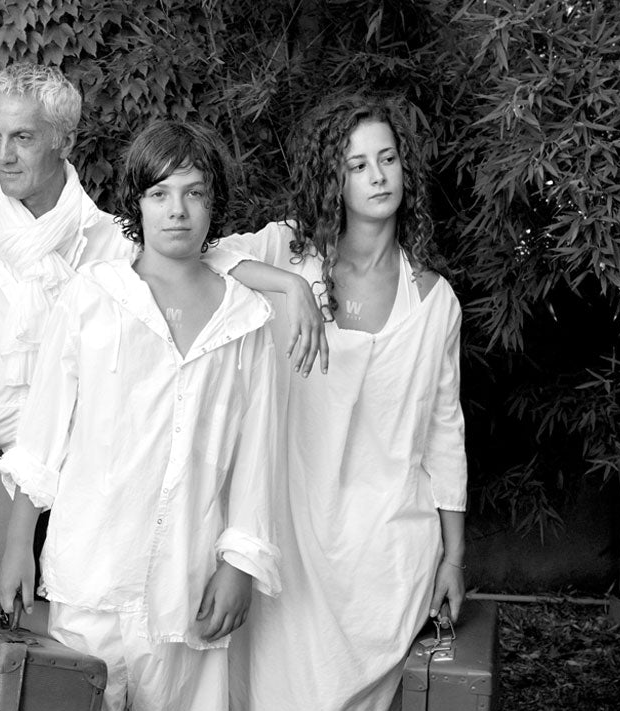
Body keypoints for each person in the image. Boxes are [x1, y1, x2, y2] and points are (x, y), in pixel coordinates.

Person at [0, 119, 280, 711]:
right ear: (137, 203)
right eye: (159, 193)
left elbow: (258, 457)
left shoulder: (247, 321)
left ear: (213, 204)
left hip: (188, 584)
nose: (177, 210)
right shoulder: (91, 296)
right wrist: (18, 543)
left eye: (194, 192)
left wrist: (240, 566)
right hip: (91, 574)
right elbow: (43, 436)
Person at [0, 62, 326, 456]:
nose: (3, 155)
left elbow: (203, 254)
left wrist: (290, 282)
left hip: (85, 471)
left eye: (23, 137)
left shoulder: (119, 244)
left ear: (65, 140)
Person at [223, 94, 468, 711]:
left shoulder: (434, 301)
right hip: (291, 535)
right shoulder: (290, 253)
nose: (378, 176)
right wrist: (291, 288)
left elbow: (445, 434)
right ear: (333, 177)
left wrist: (454, 557)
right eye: (358, 165)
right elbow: (204, 256)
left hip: (386, 544)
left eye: (388, 159)